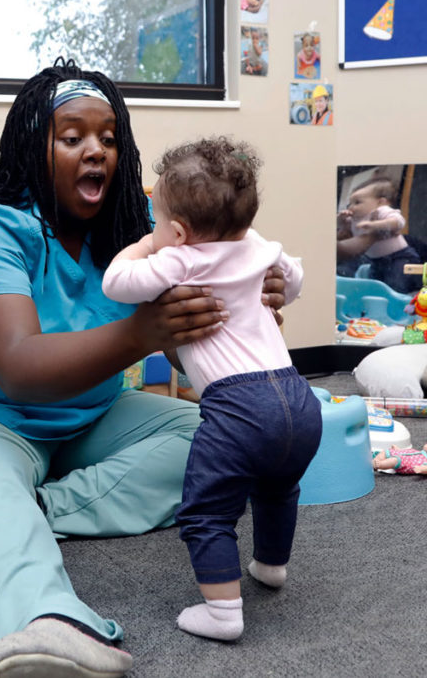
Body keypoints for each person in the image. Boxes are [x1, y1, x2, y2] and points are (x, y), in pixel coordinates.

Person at [0, 59, 288, 678]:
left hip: (92, 414)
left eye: (108, 138)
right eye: (72, 137)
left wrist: (241, 306)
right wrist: (145, 330)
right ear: (36, 146)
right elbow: (19, 368)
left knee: (217, 440)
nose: (95, 152)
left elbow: (187, 348)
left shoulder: (138, 227)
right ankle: (44, 623)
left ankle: (29, 512)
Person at [102, 136, 323, 641]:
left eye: (157, 222)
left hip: (237, 406)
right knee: (277, 487)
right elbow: (294, 282)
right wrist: (273, 278)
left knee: (204, 511)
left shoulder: (180, 259)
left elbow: (116, 283)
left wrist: (142, 247)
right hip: (296, 396)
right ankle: (271, 566)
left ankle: (222, 613)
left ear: (177, 231)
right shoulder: (260, 248)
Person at [337, 177, 421, 293]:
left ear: (381, 202)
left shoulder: (381, 211)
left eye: (357, 202)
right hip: (376, 261)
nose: (351, 207)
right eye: (349, 204)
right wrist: (341, 221)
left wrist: (377, 225)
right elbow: (344, 233)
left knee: (396, 285)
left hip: (400, 257)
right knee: (376, 287)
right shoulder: (354, 219)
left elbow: (399, 222)